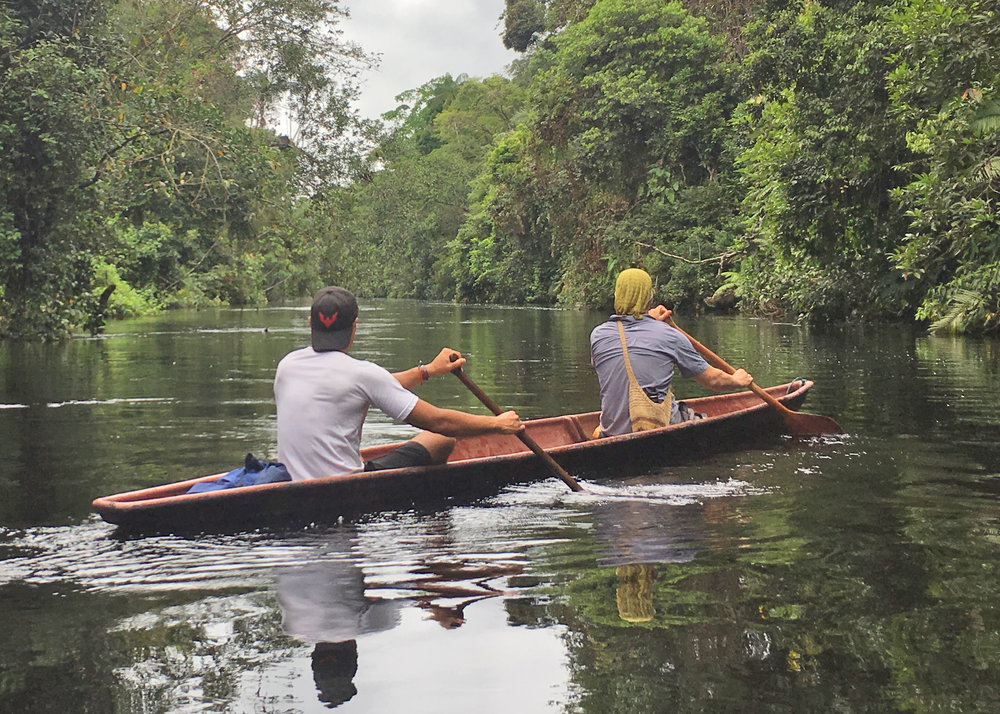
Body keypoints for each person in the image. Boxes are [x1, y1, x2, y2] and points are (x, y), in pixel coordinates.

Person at [274, 286, 523, 480]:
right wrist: (496, 423)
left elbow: (375, 387)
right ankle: (432, 511)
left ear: (310, 324)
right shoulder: (362, 374)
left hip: (291, 481)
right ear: (354, 327)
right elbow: (439, 421)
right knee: (441, 439)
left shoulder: (287, 365)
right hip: (346, 485)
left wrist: (428, 371)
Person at [590, 268, 754, 437]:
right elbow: (713, 381)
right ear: (650, 298)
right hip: (658, 426)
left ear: (617, 296)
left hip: (612, 430)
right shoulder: (668, 335)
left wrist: (648, 319)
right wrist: (737, 380)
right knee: (702, 422)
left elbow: (630, 347)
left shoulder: (597, 335)